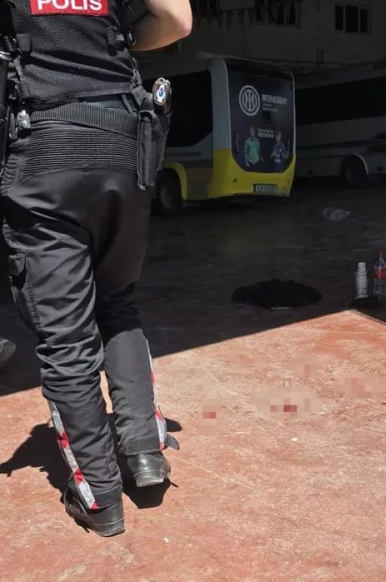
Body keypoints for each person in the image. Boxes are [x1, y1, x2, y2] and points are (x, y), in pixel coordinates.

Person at [0, 0, 192, 536]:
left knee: (66, 337)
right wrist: (115, 40)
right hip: (125, 140)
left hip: (46, 145)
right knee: (117, 303)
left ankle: (99, 496)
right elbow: (177, 20)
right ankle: (144, 453)